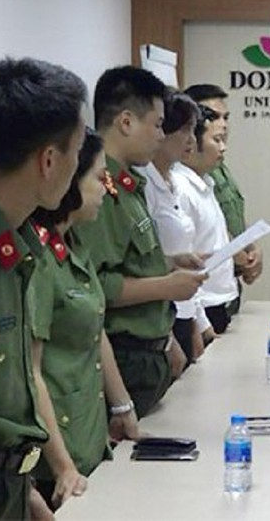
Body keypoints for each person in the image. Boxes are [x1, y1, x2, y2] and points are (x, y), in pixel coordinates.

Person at [74, 66, 206, 418]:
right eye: (158, 124)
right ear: (126, 122)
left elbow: (131, 261)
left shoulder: (130, 185)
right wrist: (166, 286)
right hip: (123, 355)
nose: (162, 136)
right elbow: (94, 285)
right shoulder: (98, 193)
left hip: (149, 351)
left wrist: (171, 263)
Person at [0, 57, 87, 520]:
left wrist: (19, 482)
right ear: (49, 161)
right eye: (78, 150)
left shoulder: (18, 246)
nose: (80, 166)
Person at [29, 128, 139, 510]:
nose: (108, 189)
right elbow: (31, 372)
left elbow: (96, 329)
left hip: (89, 438)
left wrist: (122, 407)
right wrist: (63, 467)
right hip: (56, 460)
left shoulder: (73, 244)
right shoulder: (38, 259)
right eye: (98, 177)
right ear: (68, 180)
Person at [138, 91, 213, 363]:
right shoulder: (144, 184)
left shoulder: (175, 182)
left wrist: (198, 322)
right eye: (184, 130)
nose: (192, 140)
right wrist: (170, 338)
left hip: (184, 309)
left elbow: (185, 258)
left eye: (194, 130)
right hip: (160, 317)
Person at [184, 84, 263, 313]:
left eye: (226, 117)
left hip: (226, 286)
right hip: (201, 295)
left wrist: (252, 248)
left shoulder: (217, 168)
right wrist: (234, 252)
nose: (223, 124)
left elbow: (231, 217)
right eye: (214, 116)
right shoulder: (184, 176)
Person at [175, 105, 239, 334]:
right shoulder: (181, 188)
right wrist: (200, 323)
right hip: (200, 308)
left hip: (218, 302)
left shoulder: (205, 182)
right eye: (216, 140)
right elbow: (185, 259)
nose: (223, 148)